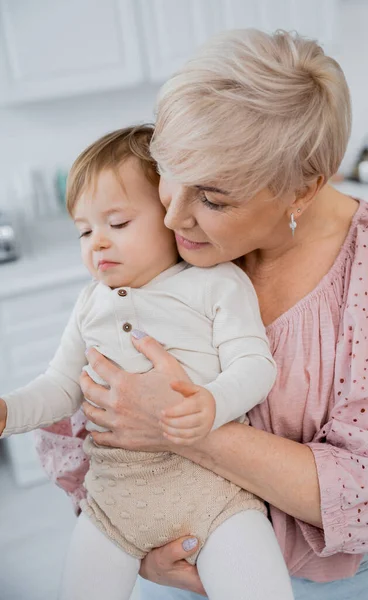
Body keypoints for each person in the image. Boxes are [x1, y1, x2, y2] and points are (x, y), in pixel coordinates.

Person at [36, 29, 368, 599]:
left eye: (213, 198)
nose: (173, 216)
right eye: (168, 173)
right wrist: (130, 539)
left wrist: (179, 425)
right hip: (172, 562)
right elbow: (85, 402)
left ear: (301, 190)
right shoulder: (164, 237)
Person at [0, 125, 294, 600]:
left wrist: (212, 402)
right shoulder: (88, 304)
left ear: (172, 215)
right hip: (116, 501)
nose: (97, 242)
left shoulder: (216, 283)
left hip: (217, 494)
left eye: (117, 224)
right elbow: (60, 387)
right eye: (84, 230)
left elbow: (255, 365)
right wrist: (8, 412)